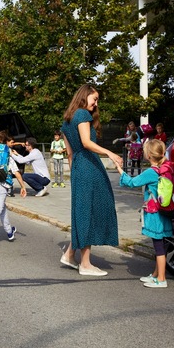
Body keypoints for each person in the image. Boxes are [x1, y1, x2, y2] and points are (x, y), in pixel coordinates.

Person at [60, 83, 123, 276]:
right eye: (94, 99)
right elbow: (87, 143)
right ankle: (85, 264)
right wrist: (110, 153)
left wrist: (75, 176)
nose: (96, 104)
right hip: (89, 166)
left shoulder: (66, 120)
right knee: (90, 211)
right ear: (84, 96)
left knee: (83, 210)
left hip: (79, 168)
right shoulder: (82, 115)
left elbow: (69, 154)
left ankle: (70, 254)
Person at [116, 139, 173, 288]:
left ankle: (161, 279)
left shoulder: (151, 172)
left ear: (148, 155)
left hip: (154, 214)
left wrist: (119, 169)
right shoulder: (167, 167)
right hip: (165, 212)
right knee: (162, 244)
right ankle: (156, 274)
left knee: (158, 246)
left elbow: (132, 182)